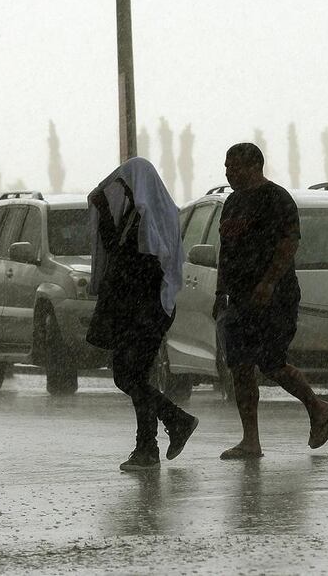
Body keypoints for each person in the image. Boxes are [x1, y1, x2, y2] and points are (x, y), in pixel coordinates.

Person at [214, 143, 328, 459]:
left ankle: (317, 406)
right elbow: (225, 252)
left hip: (274, 297)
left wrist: (268, 282)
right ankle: (250, 441)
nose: (228, 172)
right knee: (240, 368)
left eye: (234, 166)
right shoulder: (231, 204)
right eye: (226, 167)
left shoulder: (276, 199)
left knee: (271, 362)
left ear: (255, 166)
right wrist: (219, 293)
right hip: (238, 299)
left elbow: (288, 243)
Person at [87, 157, 198, 471]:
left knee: (128, 374)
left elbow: (142, 263)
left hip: (148, 310)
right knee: (133, 375)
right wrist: (107, 211)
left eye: (126, 185)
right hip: (137, 310)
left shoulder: (153, 218)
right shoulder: (137, 216)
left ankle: (165, 431)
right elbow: (116, 248)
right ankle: (157, 438)